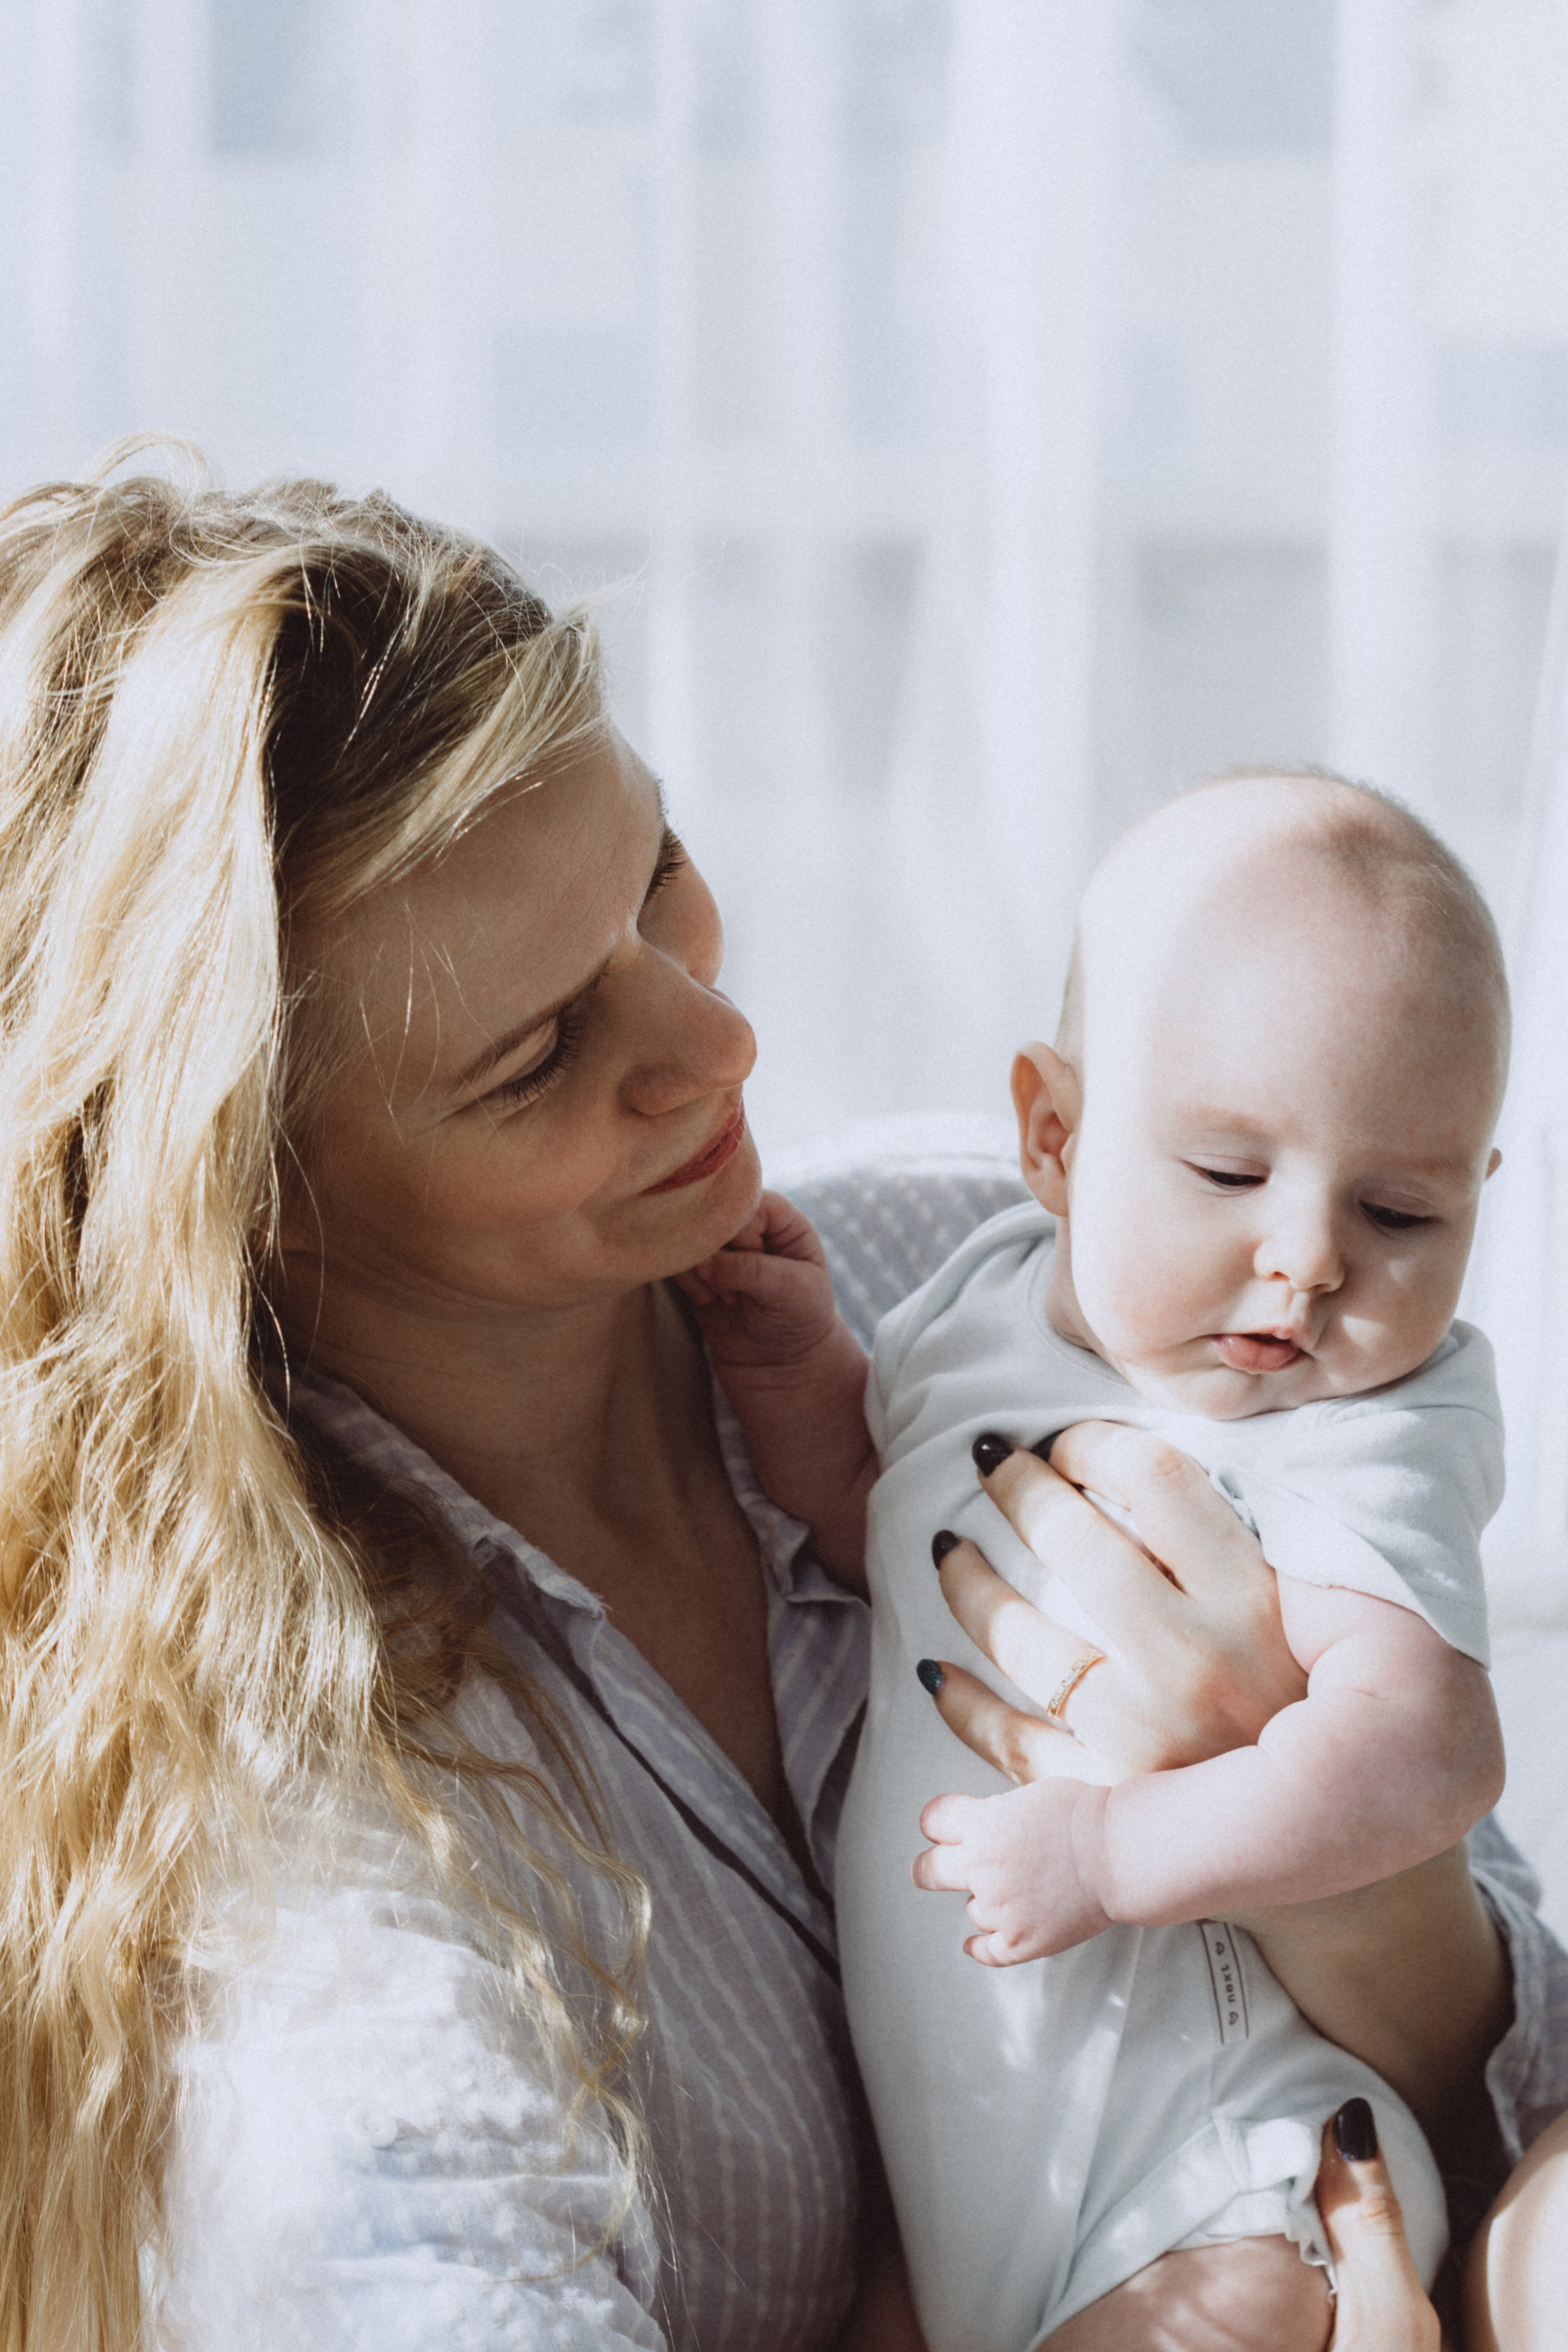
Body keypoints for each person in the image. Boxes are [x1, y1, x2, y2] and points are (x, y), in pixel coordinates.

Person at [0, 452, 1550, 2352]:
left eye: (656, 873)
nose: (722, 1040)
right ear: (252, 1192)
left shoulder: (997, 1261)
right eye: (540, 1052)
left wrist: (1350, 1900)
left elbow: (1526, 2078)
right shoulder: (302, 1842)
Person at [683, 776, 1518, 2347]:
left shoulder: (1373, 1422)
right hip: (976, 2164)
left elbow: (1421, 1751)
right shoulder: (981, 1295)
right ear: (1052, 1136)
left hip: (1226, 2162)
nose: (1307, 1257)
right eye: (1227, 1175)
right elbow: (884, 1528)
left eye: (1398, 1210)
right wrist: (798, 1372)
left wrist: (1114, 1854)